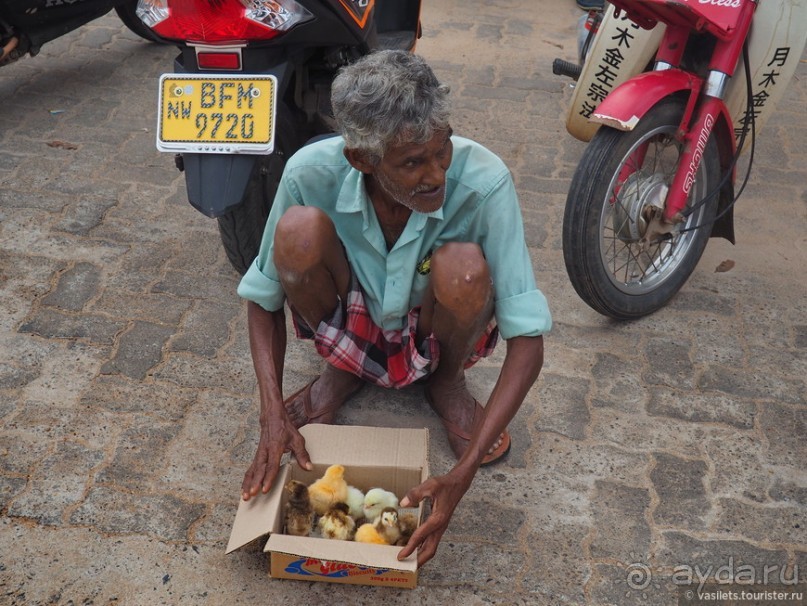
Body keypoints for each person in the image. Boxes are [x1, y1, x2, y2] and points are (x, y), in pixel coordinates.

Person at [236, 50, 551, 566]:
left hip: (433, 322)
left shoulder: (486, 181)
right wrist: (270, 414)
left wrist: (462, 472)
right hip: (350, 315)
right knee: (296, 235)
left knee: (464, 267)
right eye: (411, 163)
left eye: (442, 149)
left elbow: (529, 340)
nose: (435, 176)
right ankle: (343, 369)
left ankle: (443, 382)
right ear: (362, 159)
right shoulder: (307, 173)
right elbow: (262, 299)